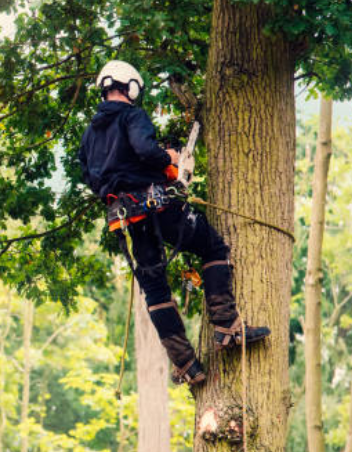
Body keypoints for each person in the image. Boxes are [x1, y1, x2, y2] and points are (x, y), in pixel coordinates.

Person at [77, 60, 270, 386]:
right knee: (212, 245)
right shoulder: (132, 116)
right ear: (131, 87)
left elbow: (89, 175)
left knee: (154, 288)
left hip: (125, 220)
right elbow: (144, 149)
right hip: (154, 208)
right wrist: (171, 158)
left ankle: (185, 364)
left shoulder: (89, 134)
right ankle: (226, 327)